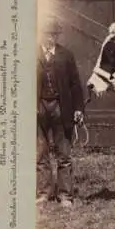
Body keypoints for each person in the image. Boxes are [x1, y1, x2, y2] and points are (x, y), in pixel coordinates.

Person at [36, 17, 84, 208]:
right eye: (48, 34)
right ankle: (43, 194)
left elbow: (75, 85)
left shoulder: (66, 55)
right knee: (40, 154)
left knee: (64, 154)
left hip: (61, 108)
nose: (51, 38)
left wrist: (79, 109)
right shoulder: (32, 54)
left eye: (54, 34)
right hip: (39, 108)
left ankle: (65, 196)